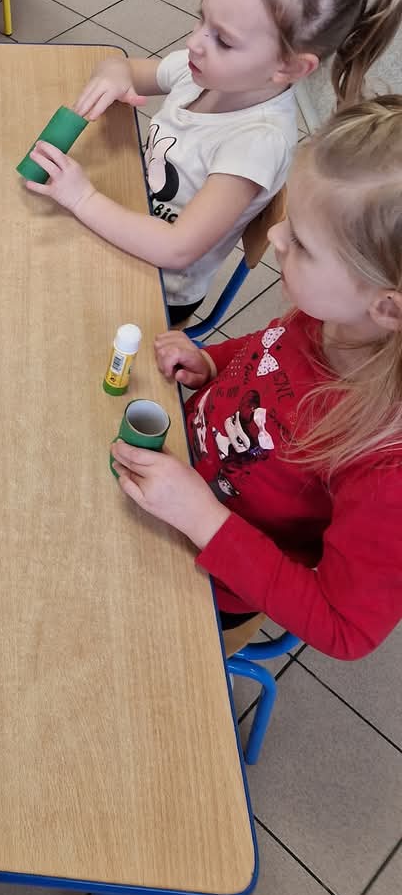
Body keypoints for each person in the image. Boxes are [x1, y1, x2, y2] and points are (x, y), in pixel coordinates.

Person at [112, 96, 402, 661]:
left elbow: (344, 629)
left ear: (386, 307)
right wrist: (214, 363)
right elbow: (268, 356)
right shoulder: (332, 317)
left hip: (205, 585)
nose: (277, 237)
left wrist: (200, 516)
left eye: (304, 244)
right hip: (174, 471)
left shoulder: (385, 466)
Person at [27, 0, 402, 321]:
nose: (195, 42)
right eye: (201, 18)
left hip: (159, 287)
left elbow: (176, 249)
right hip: (125, 218)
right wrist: (113, 74)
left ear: (289, 67)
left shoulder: (256, 143)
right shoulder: (203, 73)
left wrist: (83, 199)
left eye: (223, 39)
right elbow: (121, 65)